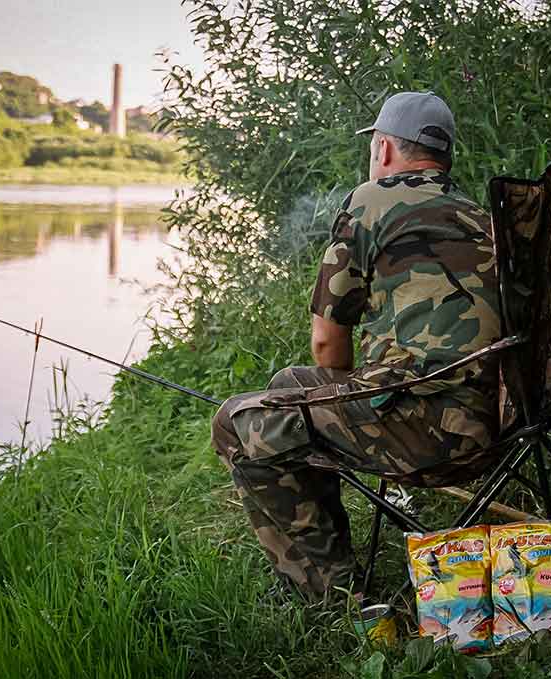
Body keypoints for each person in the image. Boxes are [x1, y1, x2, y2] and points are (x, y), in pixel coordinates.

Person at [211, 91, 502, 601]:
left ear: (385, 149)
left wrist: (344, 392)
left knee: (238, 422)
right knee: (288, 386)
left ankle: (335, 595)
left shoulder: (371, 200)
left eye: (374, 147)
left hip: (431, 432)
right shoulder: (475, 213)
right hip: (499, 419)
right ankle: (330, 553)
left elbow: (327, 343)